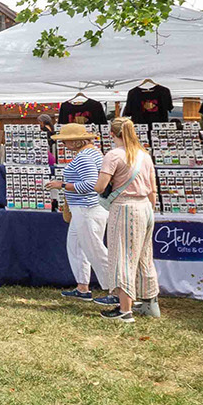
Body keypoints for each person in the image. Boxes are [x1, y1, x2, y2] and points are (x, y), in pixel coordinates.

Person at [94, 117, 160, 323]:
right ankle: (150, 302)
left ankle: (125, 310)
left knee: (122, 257)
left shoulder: (114, 155)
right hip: (145, 207)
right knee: (144, 257)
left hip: (124, 207)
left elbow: (99, 186)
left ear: (111, 134)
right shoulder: (144, 156)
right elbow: (152, 188)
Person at [45, 124, 112, 302]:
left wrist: (63, 185)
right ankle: (83, 287)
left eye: (66, 141)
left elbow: (92, 185)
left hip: (87, 208)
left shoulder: (84, 158)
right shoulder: (93, 153)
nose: (64, 144)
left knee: (95, 250)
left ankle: (117, 291)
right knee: (76, 247)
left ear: (75, 141)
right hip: (85, 208)